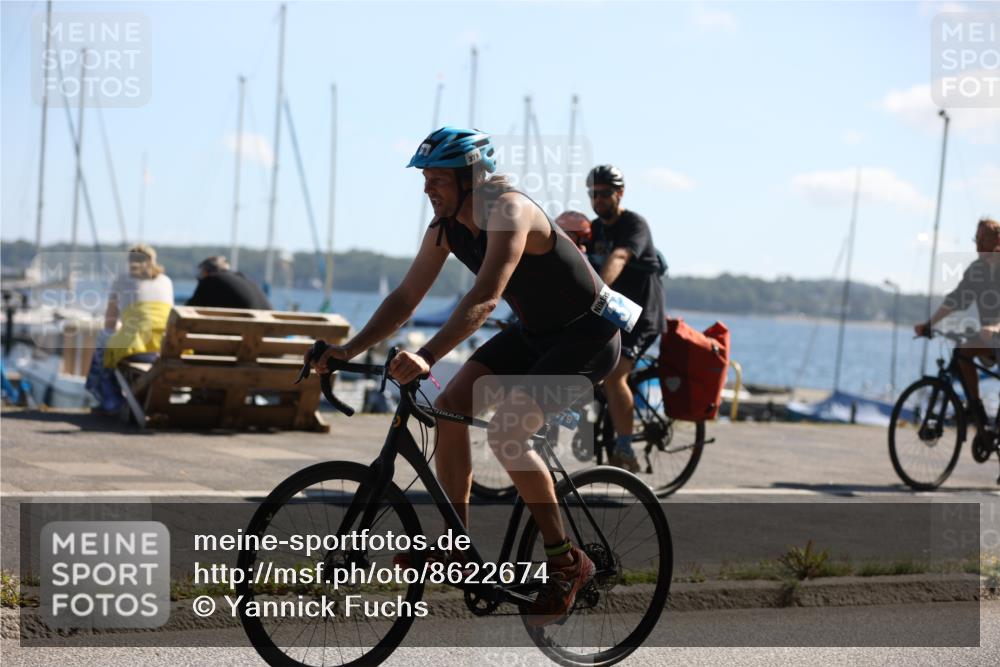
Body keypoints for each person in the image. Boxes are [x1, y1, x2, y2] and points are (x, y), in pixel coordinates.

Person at [311, 127, 628, 626]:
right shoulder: (444, 226)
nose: (426, 189)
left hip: (586, 338)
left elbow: (485, 296)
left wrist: (428, 356)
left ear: (471, 177)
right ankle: (456, 545)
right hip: (534, 333)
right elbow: (404, 299)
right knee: (450, 410)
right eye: (425, 179)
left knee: (507, 433)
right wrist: (347, 350)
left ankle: (567, 562)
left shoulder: (510, 211)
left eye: (437, 179)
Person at [584, 165, 665, 473]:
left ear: (620, 194)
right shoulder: (594, 229)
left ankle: (625, 448)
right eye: (593, 193)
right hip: (610, 314)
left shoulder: (634, 225)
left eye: (605, 193)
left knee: (617, 375)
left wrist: (598, 293)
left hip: (641, 316)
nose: (599, 199)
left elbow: (619, 257)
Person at [915, 217, 1000, 439]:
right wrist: (930, 324)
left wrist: (995, 326)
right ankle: (977, 411)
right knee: (962, 351)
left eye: (983, 240)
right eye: (976, 239)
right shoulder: (977, 269)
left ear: (997, 240)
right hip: (991, 338)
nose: (978, 246)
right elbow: (956, 300)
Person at [86, 244, 174, 414]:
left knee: (103, 345)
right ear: (153, 260)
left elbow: (109, 324)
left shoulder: (122, 279)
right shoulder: (166, 281)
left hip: (137, 347)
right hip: (164, 347)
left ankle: (111, 401)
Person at [186, 255, 272, 309]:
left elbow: (190, 308)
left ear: (205, 272)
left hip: (245, 333)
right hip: (270, 334)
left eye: (201, 273)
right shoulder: (244, 279)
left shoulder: (210, 280)